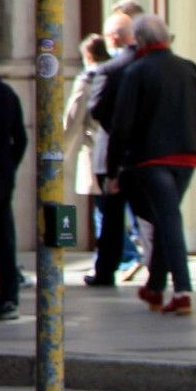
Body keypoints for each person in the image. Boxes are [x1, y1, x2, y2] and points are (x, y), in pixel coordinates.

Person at [106, 15, 196, 316]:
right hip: (186, 159)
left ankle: (182, 290)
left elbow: (122, 126)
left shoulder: (137, 72)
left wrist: (113, 169)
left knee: (168, 220)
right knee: (165, 218)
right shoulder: (190, 70)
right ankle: (155, 287)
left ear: (140, 41)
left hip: (151, 159)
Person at [83, 11, 143, 287]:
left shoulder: (110, 70)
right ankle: (156, 269)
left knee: (110, 217)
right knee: (149, 215)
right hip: (146, 152)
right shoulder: (148, 64)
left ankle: (106, 269)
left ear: (114, 38)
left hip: (111, 154)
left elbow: (95, 109)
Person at [61, 34, 111, 289]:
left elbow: (73, 117)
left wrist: (59, 150)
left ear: (88, 56)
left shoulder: (88, 79)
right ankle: (121, 256)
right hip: (124, 153)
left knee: (102, 210)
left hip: (96, 150)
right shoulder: (119, 73)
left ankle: (107, 262)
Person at [0, 73, 25, 321]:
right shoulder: (7, 94)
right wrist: (9, 167)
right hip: (1, 178)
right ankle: (8, 296)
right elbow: (21, 140)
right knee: (4, 239)